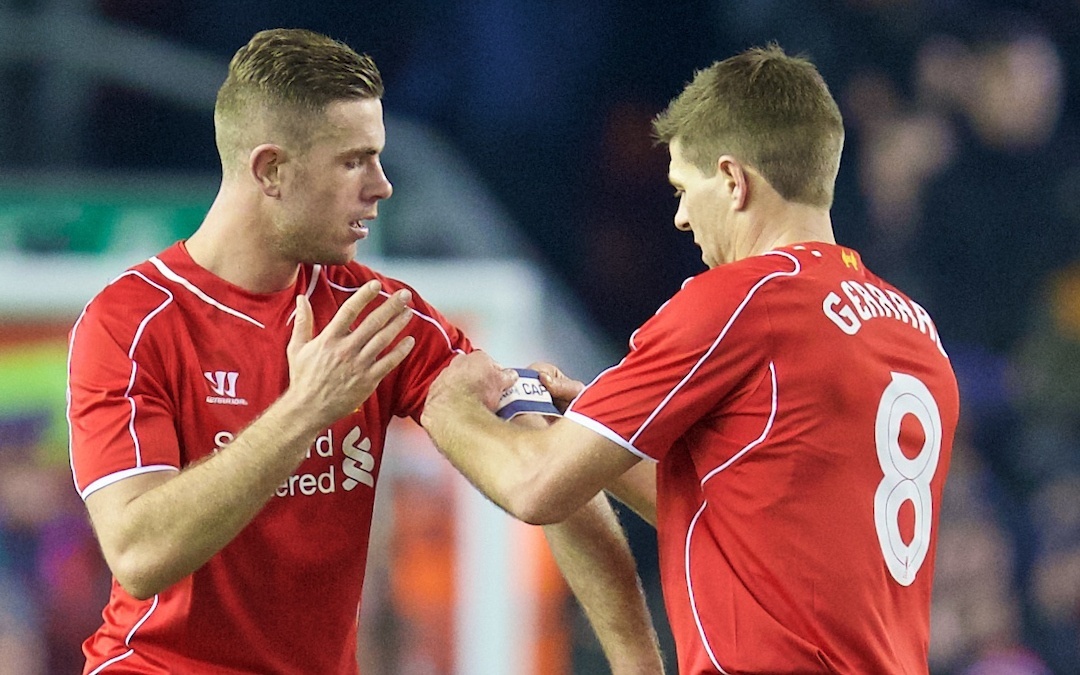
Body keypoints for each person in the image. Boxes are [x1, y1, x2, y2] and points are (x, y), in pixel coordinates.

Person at [66, 28, 663, 674]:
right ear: (271, 169)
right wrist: (306, 410)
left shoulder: (375, 315)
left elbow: (543, 475)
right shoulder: (131, 322)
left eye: (378, 158)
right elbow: (139, 552)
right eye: (354, 161)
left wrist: (639, 665)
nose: (382, 185)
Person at [422, 45, 960, 674]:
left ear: (733, 181)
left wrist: (444, 404)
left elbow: (534, 485)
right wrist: (599, 434)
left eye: (683, 187)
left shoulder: (742, 301)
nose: (678, 216)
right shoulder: (917, 332)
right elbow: (743, 517)